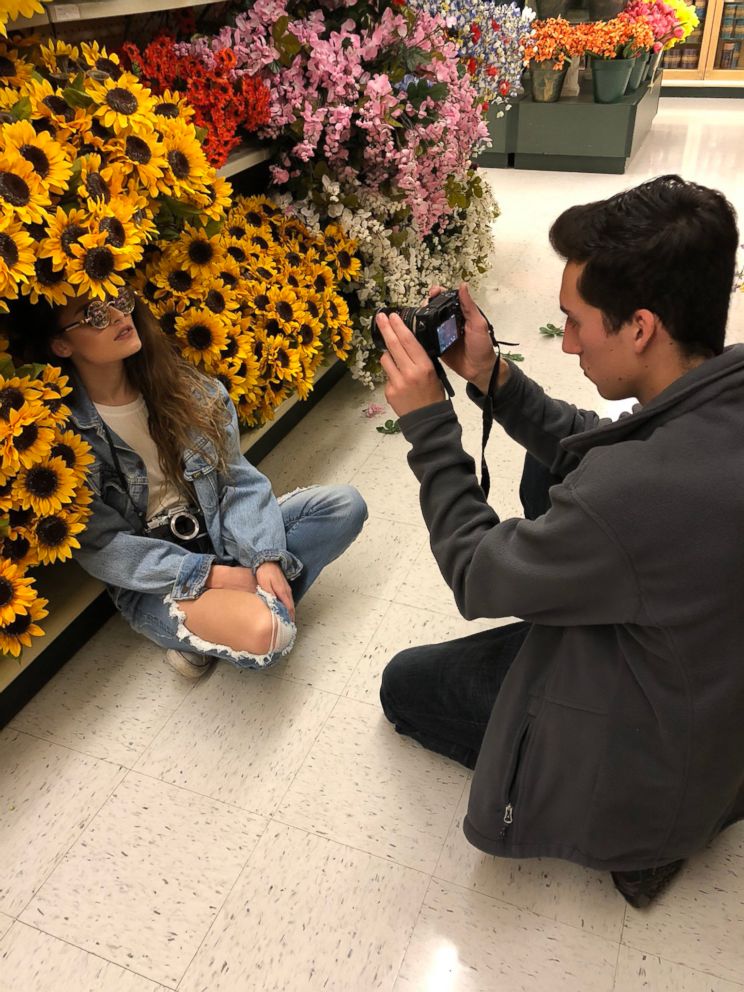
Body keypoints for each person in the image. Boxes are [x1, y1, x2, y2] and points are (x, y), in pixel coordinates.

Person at [375, 174, 744, 908]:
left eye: (577, 322)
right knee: (557, 469)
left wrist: (428, 427)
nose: (568, 341)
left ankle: (639, 841)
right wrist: (492, 377)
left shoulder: (636, 494)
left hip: (654, 755)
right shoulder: (712, 410)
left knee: (406, 685)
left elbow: (477, 576)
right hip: (708, 678)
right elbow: (607, 445)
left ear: (640, 326)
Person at [8, 292, 367, 679]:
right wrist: (214, 575)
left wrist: (264, 557)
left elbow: (237, 481)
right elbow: (103, 547)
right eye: (92, 314)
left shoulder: (184, 386)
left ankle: (215, 629)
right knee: (269, 634)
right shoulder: (59, 436)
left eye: (119, 300)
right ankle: (223, 621)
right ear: (61, 344)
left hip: (217, 529)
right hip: (156, 575)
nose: (115, 315)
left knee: (344, 506)